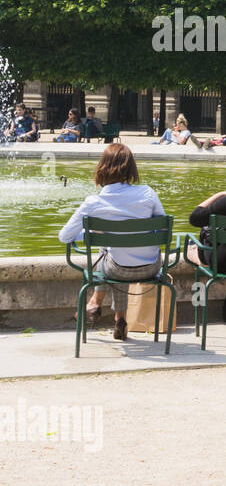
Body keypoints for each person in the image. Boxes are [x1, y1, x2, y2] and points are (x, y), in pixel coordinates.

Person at [57, 143, 165, 342]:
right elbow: (164, 230)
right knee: (113, 250)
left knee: (108, 252)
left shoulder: (94, 202)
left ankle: (95, 302)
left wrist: (92, 233)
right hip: (152, 267)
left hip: (116, 269)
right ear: (131, 167)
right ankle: (120, 318)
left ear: (102, 167)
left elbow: (64, 236)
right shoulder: (148, 193)